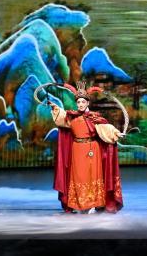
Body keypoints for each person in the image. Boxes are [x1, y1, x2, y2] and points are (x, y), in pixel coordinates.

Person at [49, 81, 124, 214]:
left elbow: (105, 127)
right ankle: (78, 203)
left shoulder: (93, 117)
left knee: (93, 176)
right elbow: (61, 118)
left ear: (88, 103)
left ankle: (94, 204)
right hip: (77, 149)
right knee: (79, 176)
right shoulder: (72, 117)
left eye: (83, 102)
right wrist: (56, 108)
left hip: (92, 149)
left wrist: (116, 133)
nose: (81, 104)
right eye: (79, 102)